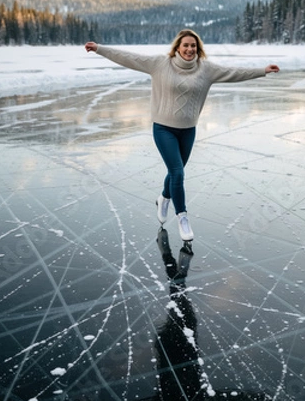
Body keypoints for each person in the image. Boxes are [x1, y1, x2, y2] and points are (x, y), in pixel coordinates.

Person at [85, 30, 279, 242]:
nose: (189, 49)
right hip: (163, 129)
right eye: (185, 45)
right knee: (178, 173)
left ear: (198, 48)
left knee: (175, 171)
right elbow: (129, 58)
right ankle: (182, 217)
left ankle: (164, 197)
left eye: (193, 46)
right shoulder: (160, 64)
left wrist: (263, 71)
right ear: (177, 47)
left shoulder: (207, 69)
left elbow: (235, 73)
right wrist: (99, 49)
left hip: (188, 130)